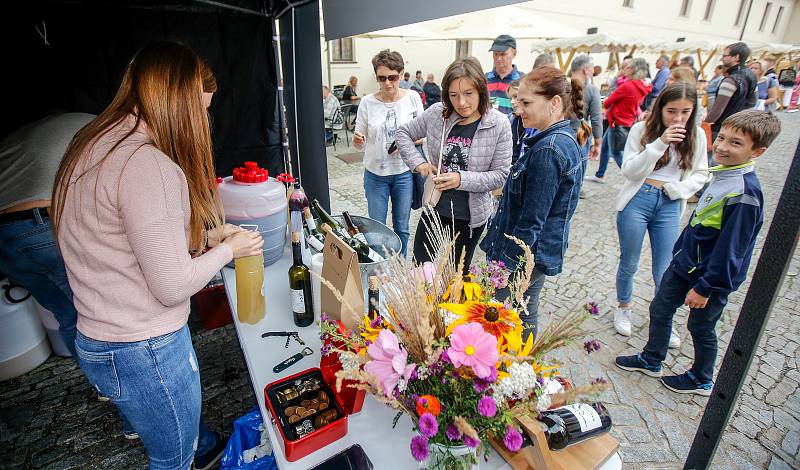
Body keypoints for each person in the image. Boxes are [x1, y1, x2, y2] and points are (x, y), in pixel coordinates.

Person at [51, 41, 264, 469]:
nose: (204, 120)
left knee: (173, 444)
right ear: (177, 103)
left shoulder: (94, 143)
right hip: (145, 348)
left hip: (101, 339)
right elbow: (172, 286)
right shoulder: (148, 165)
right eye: (201, 109)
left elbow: (120, 243)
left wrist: (203, 237)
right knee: (173, 459)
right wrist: (228, 248)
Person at [615, 110, 780, 395]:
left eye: (736, 143)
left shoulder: (745, 194)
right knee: (660, 308)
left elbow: (732, 249)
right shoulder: (722, 175)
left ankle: (701, 377)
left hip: (708, 277)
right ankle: (653, 358)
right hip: (685, 264)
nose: (723, 147)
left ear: (759, 151)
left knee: (701, 327)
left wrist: (706, 288)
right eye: (723, 138)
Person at [480, 66, 588, 338]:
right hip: (534, 254)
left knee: (501, 317)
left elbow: (532, 221)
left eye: (526, 103)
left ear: (554, 104)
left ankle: (511, 367)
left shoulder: (549, 149)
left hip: (523, 256)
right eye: (518, 102)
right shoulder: (557, 141)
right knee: (526, 311)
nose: (518, 109)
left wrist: (503, 267)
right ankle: (525, 364)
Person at [611, 83, 710, 345]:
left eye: (685, 112)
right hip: (638, 198)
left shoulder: (697, 135)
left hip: (669, 201)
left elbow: (701, 172)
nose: (678, 118)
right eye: (671, 111)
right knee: (629, 261)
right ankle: (623, 306)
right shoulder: (641, 130)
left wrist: (679, 189)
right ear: (660, 109)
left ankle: (664, 318)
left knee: (665, 268)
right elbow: (630, 171)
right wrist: (659, 143)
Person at [397, 57, 510, 272]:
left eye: (468, 93)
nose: (462, 103)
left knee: (456, 275)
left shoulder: (498, 123)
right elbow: (403, 133)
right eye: (453, 95)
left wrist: (461, 179)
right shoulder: (438, 113)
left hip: (470, 216)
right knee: (421, 271)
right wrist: (418, 162)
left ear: (480, 90)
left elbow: (500, 175)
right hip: (434, 207)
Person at [0, 113, 94, 357]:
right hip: (37, 225)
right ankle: (123, 384)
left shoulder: (63, 125)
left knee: (67, 312)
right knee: (96, 313)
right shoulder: (115, 134)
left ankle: (104, 385)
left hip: (8, 234)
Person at [352, 50, 424, 257]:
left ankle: (400, 269)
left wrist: (405, 140)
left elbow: (423, 134)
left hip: (403, 172)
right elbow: (359, 142)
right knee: (376, 228)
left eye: (392, 77)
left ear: (401, 74)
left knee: (402, 225)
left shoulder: (412, 98)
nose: (388, 83)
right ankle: (379, 269)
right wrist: (358, 141)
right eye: (382, 78)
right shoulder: (367, 102)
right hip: (375, 176)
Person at [588, 58, 651, 183]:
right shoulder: (643, 86)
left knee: (616, 152)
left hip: (617, 121)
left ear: (633, 70)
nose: (624, 69)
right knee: (606, 148)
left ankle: (634, 177)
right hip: (626, 119)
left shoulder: (628, 86)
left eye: (627, 67)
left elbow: (608, 102)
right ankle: (600, 174)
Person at [704, 42, 756, 142]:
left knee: (711, 155)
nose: (721, 58)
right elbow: (752, 102)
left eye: (724, 56)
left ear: (736, 57)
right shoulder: (751, 76)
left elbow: (717, 110)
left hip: (721, 127)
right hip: (737, 125)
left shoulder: (730, 81)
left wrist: (705, 124)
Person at [570, 54, 603, 162]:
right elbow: (596, 118)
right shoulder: (592, 90)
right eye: (592, 68)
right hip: (580, 137)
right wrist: (598, 144)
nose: (593, 71)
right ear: (586, 70)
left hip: (558, 134)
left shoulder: (560, 86)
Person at [486, 35, 525, 115]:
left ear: (514, 53)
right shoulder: (483, 79)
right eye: (495, 54)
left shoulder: (524, 81)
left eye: (503, 54)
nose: (498, 58)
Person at [508, 80, 536, 165]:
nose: (512, 102)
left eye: (516, 97)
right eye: (510, 98)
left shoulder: (537, 123)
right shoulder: (510, 119)